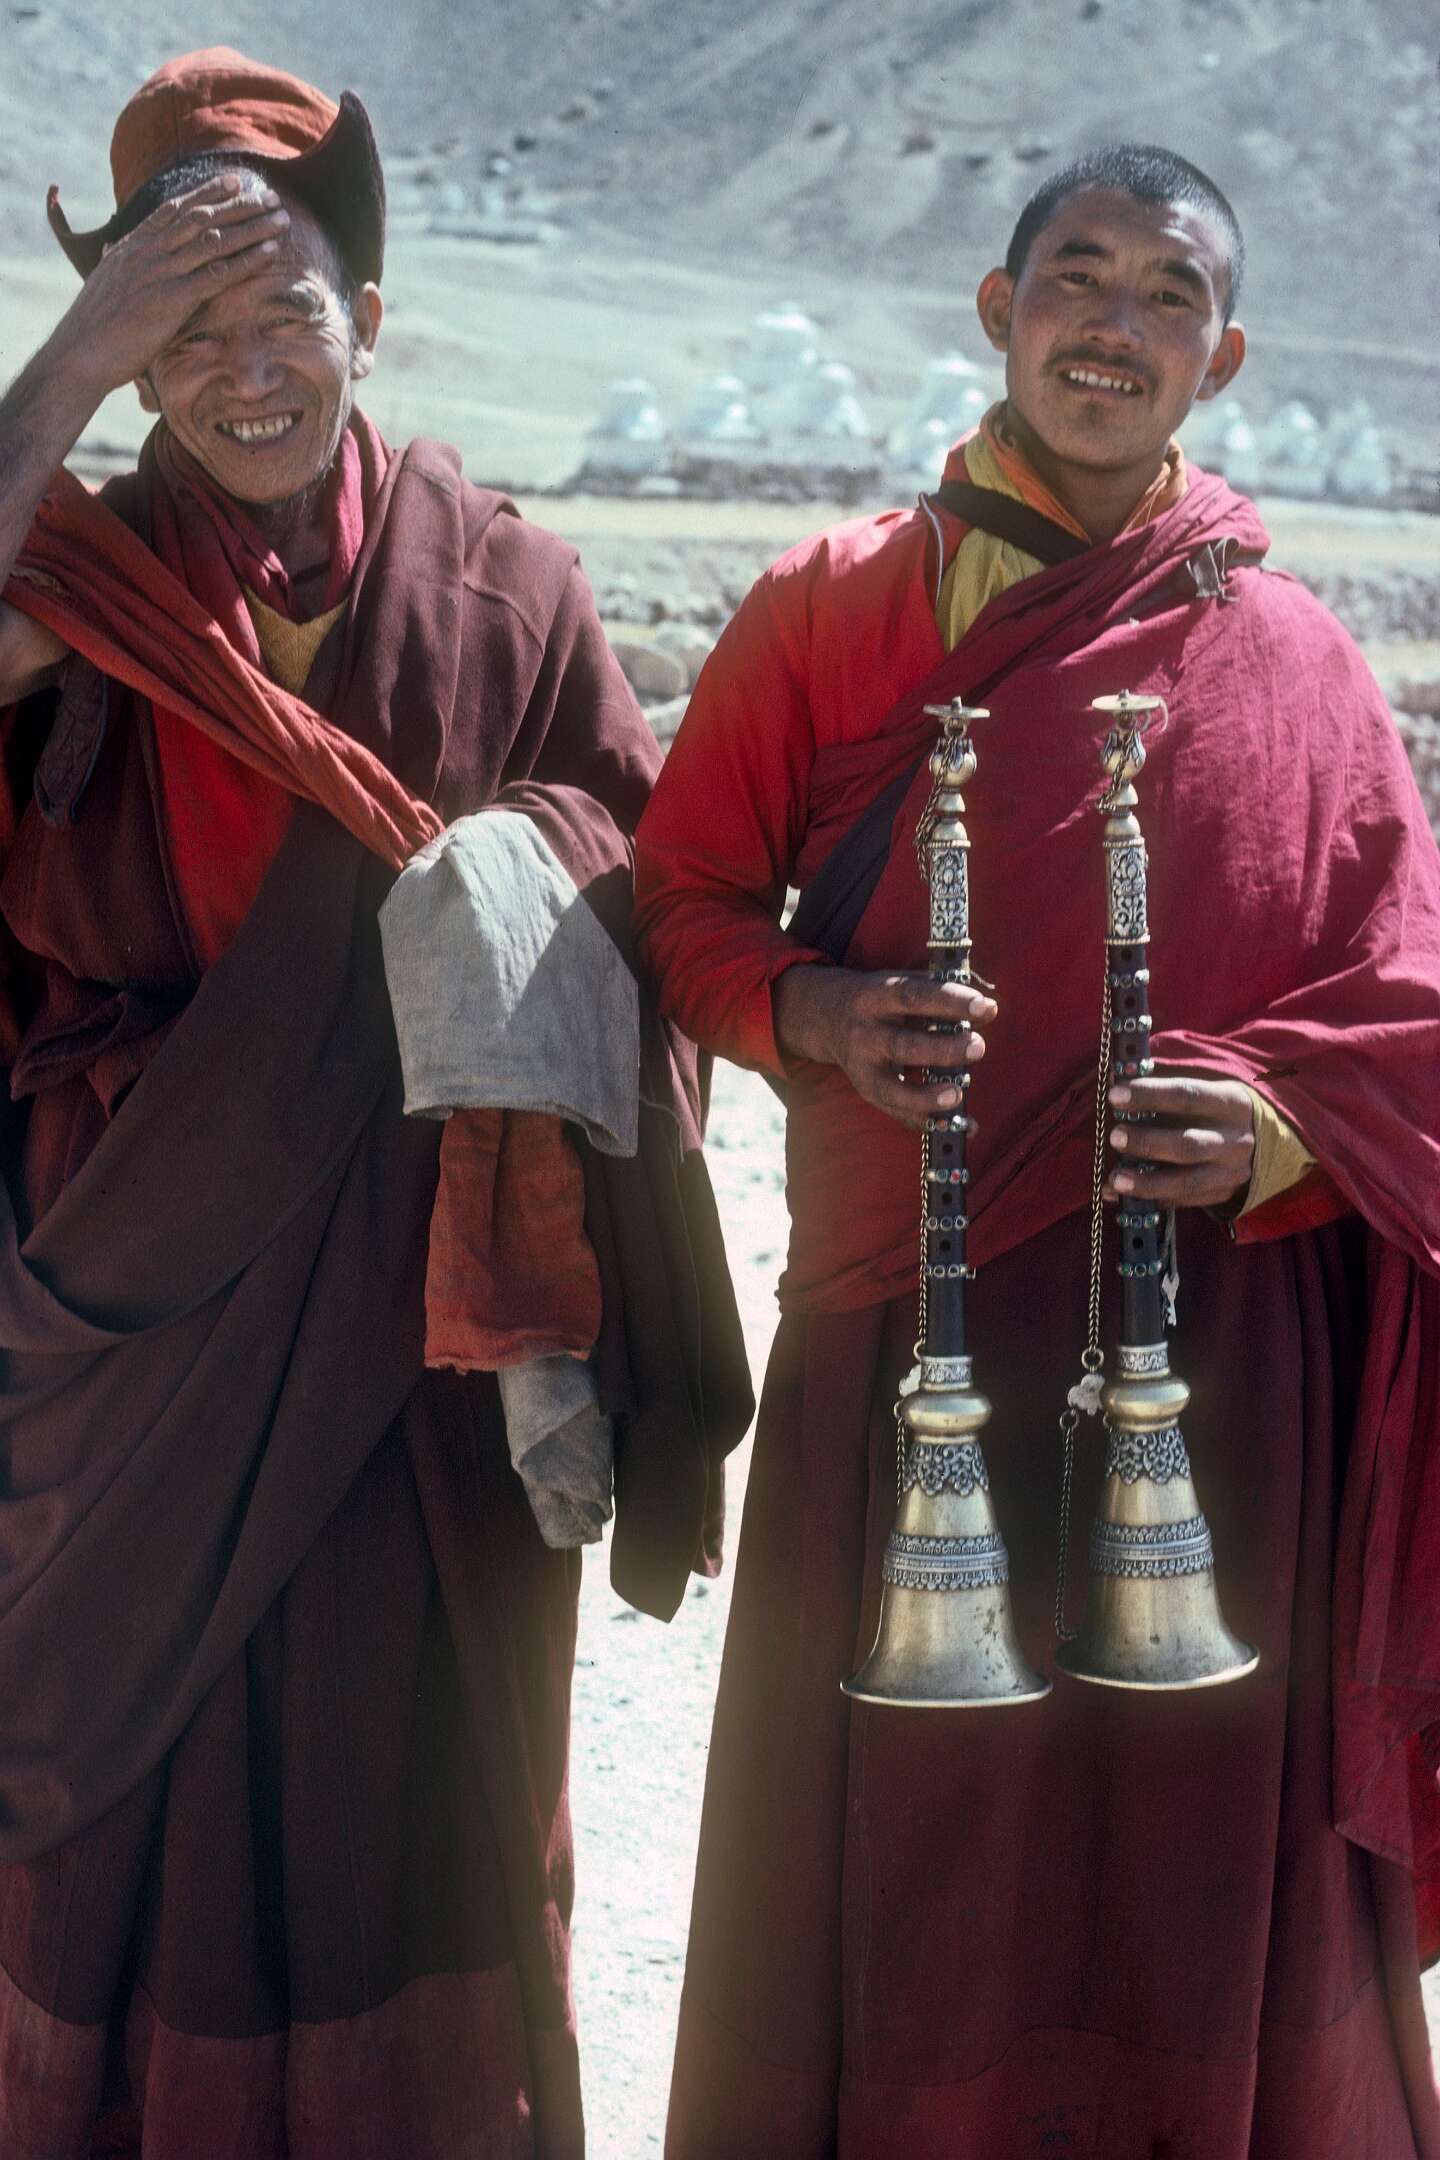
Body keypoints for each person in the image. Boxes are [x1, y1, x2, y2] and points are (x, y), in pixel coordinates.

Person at [635, 144, 1440, 2158]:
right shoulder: (830, 609)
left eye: (1169, 294)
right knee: (915, 1844)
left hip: (1222, 1358)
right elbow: (682, 903)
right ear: (1000, 312)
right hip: (912, 1335)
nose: (1114, 325)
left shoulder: (1296, 656)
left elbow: (1408, 993)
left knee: (1185, 1849)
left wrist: (1282, 1127)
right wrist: (818, 1013)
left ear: (1221, 357)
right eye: (1077, 276)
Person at [0, 47, 749, 2159]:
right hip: (139, 1286)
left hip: (433, 1318)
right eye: (184, 332)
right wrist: (68, 361)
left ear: (375, 322)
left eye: (284, 316)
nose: (243, 374)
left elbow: (650, 896)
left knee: (408, 1790)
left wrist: (510, 885)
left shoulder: (506, 583)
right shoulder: (76, 576)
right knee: (120, 1798)